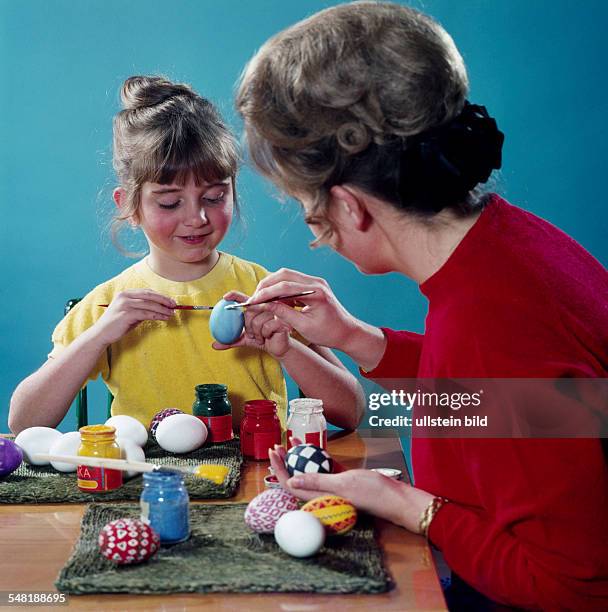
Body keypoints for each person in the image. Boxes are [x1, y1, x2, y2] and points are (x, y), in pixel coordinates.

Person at [234, 3, 608, 610]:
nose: (314, 230)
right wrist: (357, 337)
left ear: (349, 207)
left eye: (308, 207)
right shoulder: (507, 242)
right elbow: (517, 406)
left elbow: (574, 585)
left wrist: (405, 504)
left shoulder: (485, 329)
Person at [9, 75, 365, 434]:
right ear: (130, 207)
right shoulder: (107, 305)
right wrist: (98, 336)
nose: (197, 218)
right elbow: (24, 421)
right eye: (169, 202)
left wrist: (286, 349)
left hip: (254, 476)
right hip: (148, 482)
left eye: (214, 197)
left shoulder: (261, 289)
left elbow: (350, 411)